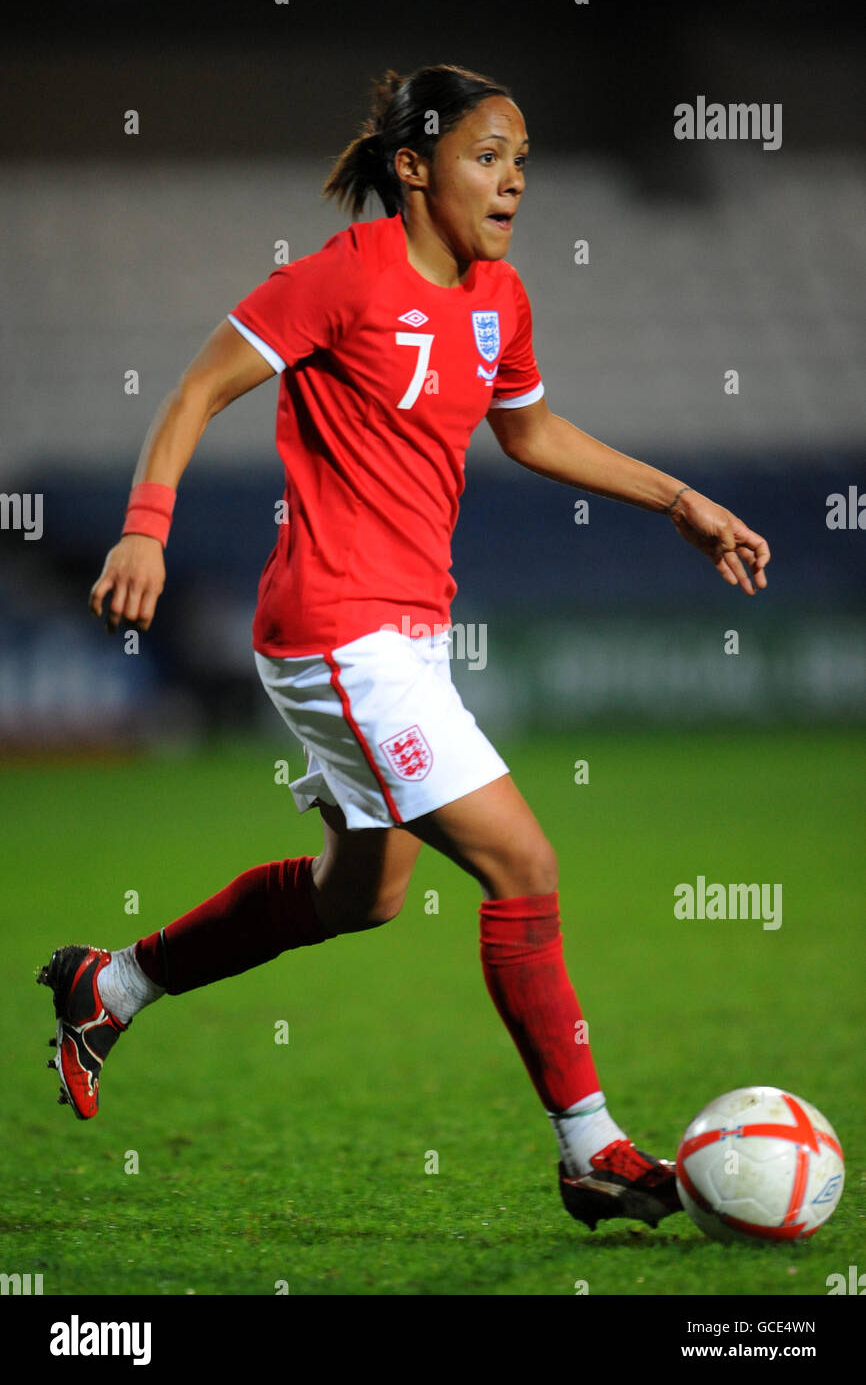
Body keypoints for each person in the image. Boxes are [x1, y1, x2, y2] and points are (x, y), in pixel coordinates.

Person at [38, 64, 770, 1231]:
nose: (513, 180)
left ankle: (109, 983)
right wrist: (143, 530)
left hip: (406, 636)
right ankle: (590, 1149)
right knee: (522, 864)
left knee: (361, 896)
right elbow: (191, 393)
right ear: (415, 166)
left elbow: (524, 427)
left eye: (522, 159)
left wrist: (674, 497)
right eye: (488, 156)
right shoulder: (337, 280)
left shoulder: (500, 296)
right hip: (336, 630)